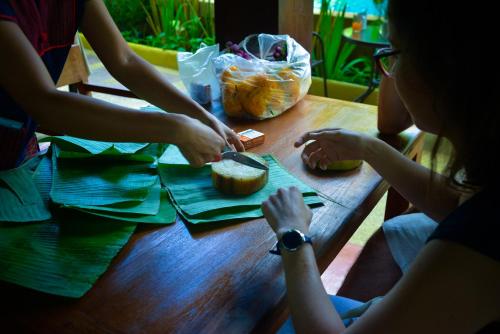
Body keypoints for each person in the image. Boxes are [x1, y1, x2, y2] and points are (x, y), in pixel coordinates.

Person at [262, 0, 500, 333]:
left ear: (447, 71)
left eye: (396, 53)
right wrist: (367, 147)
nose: (388, 67)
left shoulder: (476, 243)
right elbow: (454, 203)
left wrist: (293, 236)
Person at [0, 0, 243, 171]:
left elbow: (124, 61)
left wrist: (200, 116)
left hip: (18, 152)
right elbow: (46, 105)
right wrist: (176, 128)